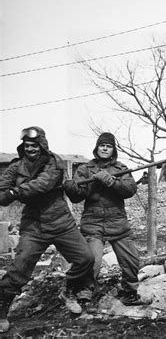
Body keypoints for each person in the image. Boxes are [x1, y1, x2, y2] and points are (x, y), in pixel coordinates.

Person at [0, 126, 94, 333]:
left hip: (60, 222)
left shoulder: (54, 163)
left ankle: (68, 291)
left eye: (34, 145)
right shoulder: (16, 167)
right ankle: (1, 311)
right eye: (27, 145)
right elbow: (2, 191)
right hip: (33, 226)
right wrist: (7, 193)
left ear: (42, 145)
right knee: (18, 270)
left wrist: (16, 191)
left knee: (85, 258)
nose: (31, 149)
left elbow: (43, 184)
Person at [63, 132, 145, 306]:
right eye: (102, 145)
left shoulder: (121, 168)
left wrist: (111, 182)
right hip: (93, 224)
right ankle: (84, 294)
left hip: (118, 223)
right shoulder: (85, 169)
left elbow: (130, 190)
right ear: (97, 148)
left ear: (113, 150)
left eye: (109, 146)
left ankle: (129, 293)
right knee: (92, 260)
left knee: (131, 260)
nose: (105, 148)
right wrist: (71, 189)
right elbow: (78, 196)